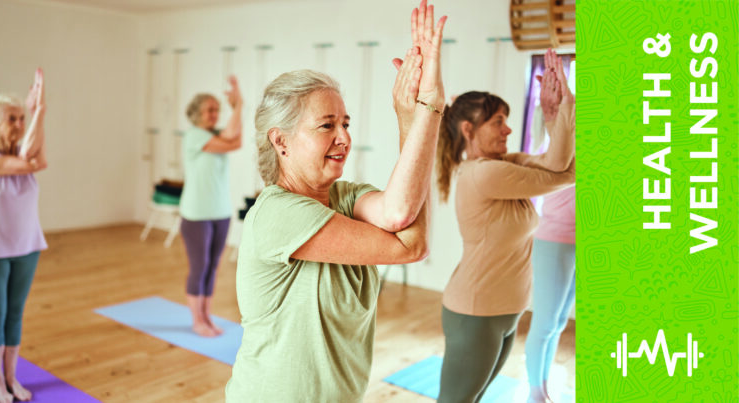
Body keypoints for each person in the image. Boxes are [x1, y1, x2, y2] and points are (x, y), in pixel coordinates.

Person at [224, 1, 446, 401]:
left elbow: (401, 211)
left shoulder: (346, 197)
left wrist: (411, 118)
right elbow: (409, 240)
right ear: (281, 141)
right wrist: (429, 110)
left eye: (345, 123)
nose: (343, 136)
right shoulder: (277, 213)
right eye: (327, 125)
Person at [435, 48, 575, 403]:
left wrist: (554, 113)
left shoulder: (505, 162)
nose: (508, 128)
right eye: (498, 121)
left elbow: (558, 162)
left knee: (475, 397)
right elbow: (566, 174)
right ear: (469, 129)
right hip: (475, 312)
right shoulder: (486, 173)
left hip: (505, 310)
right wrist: (566, 110)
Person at [0, 68, 48, 403]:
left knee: (15, 314)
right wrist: (39, 112)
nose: (18, 124)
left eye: (21, 118)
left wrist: (39, 113)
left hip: (27, 246)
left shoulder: (23, 154)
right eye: (11, 119)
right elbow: (28, 164)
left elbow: (36, 159)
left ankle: (11, 378)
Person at [524, 51, 576, 403]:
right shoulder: (557, 143)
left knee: (559, 322)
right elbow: (556, 119)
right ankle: (534, 391)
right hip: (553, 239)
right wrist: (558, 104)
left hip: (578, 241)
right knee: (544, 322)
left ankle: (542, 387)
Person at [180, 76, 243, 337]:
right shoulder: (194, 136)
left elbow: (236, 141)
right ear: (197, 114)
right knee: (200, 266)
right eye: (210, 110)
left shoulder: (215, 135)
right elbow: (232, 138)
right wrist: (238, 106)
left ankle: (207, 316)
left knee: (213, 266)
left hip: (221, 212)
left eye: (218, 110)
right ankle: (197, 320)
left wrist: (238, 106)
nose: (215, 114)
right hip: (196, 215)